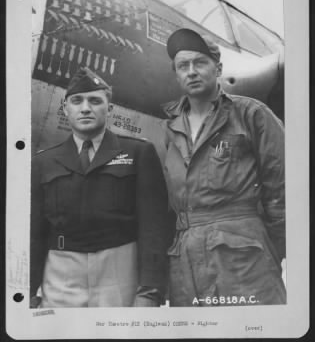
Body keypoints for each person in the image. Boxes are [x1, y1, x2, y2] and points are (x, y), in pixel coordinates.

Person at [163, 28, 286, 306]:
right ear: (176, 74)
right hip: (185, 265)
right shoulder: (170, 128)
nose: (191, 72)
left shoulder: (251, 114)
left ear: (218, 68)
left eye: (200, 63)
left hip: (245, 263)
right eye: (183, 66)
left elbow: (283, 191)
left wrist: (267, 250)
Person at [30, 67, 169, 308]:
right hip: (60, 276)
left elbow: (154, 229)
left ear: (110, 109)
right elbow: (35, 234)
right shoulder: (43, 162)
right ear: (65, 108)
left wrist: (150, 292)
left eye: (95, 101)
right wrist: (28, 291)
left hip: (119, 274)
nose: (85, 108)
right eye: (76, 101)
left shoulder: (138, 153)